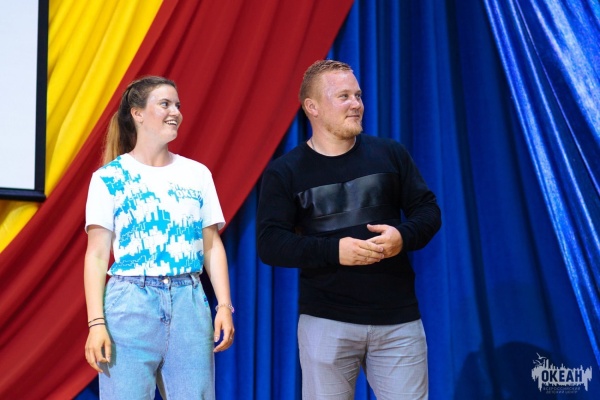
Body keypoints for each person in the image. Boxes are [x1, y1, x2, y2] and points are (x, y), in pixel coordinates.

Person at [257, 60, 441, 399]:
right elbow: (270, 243)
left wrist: (402, 237)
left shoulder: (390, 154)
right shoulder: (285, 172)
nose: (356, 104)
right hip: (326, 322)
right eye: (343, 96)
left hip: (398, 323)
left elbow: (428, 211)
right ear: (312, 107)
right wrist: (335, 251)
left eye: (357, 95)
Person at [83, 76, 234, 399]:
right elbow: (96, 255)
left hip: (189, 302)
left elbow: (211, 244)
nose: (175, 111)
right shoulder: (108, 178)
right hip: (130, 304)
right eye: (165, 104)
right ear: (137, 113)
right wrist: (96, 323)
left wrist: (223, 304)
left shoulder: (197, 174)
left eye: (177, 105)